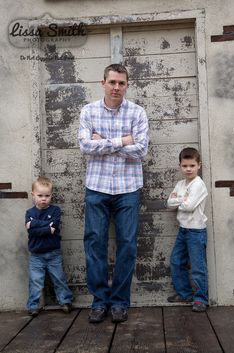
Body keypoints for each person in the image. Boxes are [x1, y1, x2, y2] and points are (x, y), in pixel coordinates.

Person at [78, 63, 149, 323]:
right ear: (103, 83)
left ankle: (119, 302)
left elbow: (141, 150)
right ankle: (99, 302)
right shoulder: (89, 111)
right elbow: (85, 147)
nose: (116, 87)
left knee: (127, 246)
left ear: (127, 84)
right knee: (94, 243)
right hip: (96, 187)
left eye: (121, 83)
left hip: (128, 188)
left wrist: (103, 142)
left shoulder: (138, 113)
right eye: (112, 82)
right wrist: (122, 141)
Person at [167, 147, 208, 312]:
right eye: (185, 166)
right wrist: (181, 200)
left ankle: (200, 299)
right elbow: (169, 203)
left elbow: (190, 206)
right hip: (183, 230)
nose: (188, 169)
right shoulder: (180, 184)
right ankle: (185, 294)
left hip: (196, 232)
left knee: (198, 267)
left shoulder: (198, 184)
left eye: (192, 165)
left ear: (199, 165)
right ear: (180, 166)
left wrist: (180, 200)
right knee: (176, 261)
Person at [25, 176, 73, 317]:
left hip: (53, 254)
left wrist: (34, 225)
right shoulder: (30, 213)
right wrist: (46, 227)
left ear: (51, 195)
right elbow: (31, 230)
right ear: (33, 195)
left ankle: (65, 301)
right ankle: (33, 306)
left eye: (47, 196)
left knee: (59, 279)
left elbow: (53, 228)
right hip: (36, 256)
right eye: (40, 195)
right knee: (35, 282)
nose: (43, 199)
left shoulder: (55, 211)